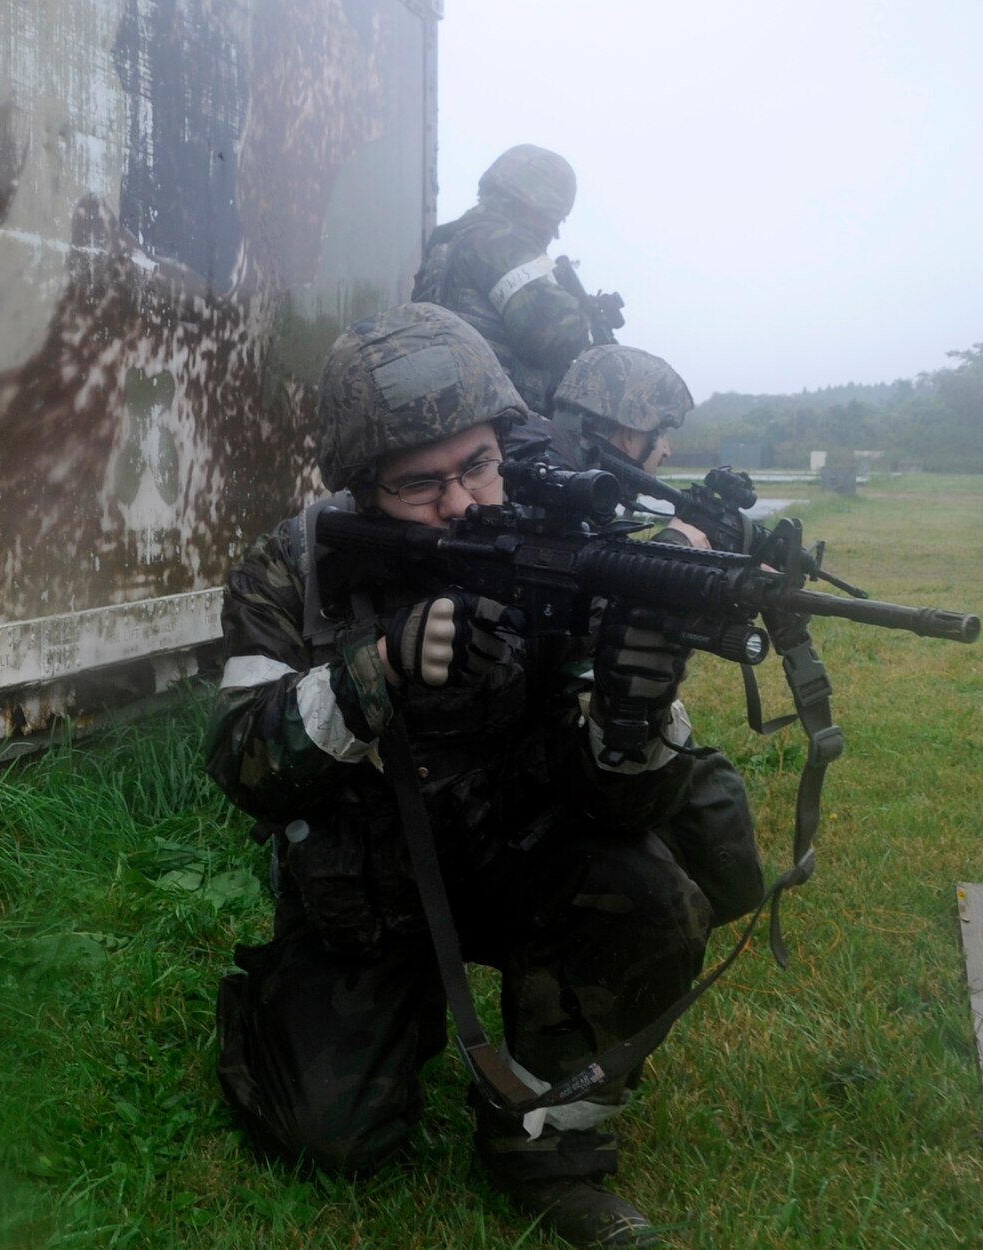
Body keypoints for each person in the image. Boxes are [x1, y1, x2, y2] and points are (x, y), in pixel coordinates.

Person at [207, 304, 712, 1248]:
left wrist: (636, 716)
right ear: (363, 490)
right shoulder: (295, 571)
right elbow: (242, 763)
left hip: (523, 858)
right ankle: (289, 1015)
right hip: (372, 890)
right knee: (333, 1134)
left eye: (479, 464)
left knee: (653, 899)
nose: (462, 503)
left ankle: (545, 1141)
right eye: (419, 485)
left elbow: (628, 806)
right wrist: (379, 668)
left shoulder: (560, 548)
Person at [515, 344, 766, 928]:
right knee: (695, 806)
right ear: (624, 431)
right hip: (528, 741)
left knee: (707, 785)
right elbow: (577, 608)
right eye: (661, 431)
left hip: (553, 718)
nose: (668, 448)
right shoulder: (547, 485)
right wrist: (672, 558)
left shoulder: (560, 471)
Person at [413, 144, 591, 412]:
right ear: (533, 204)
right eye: (553, 219)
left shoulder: (453, 239)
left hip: (460, 407)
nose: (551, 231)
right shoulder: (501, 240)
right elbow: (551, 332)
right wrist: (585, 320)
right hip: (495, 417)